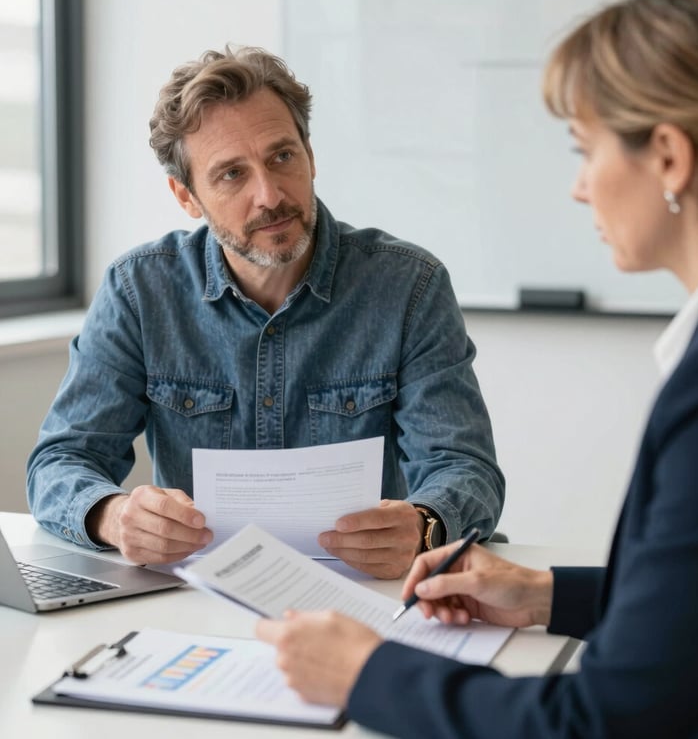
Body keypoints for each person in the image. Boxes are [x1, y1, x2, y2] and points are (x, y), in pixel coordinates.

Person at [255, 0, 698, 735]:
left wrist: (366, 675)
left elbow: (601, 721)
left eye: (585, 149)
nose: (578, 184)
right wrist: (544, 594)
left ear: (668, 156)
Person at [26, 46, 505, 579]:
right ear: (186, 196)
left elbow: (465, 468)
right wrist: (114, 518)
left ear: (311, 156)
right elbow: (60, 462)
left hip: (367, 597)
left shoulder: (409, 286)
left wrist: (425, 524)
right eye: (231, 174)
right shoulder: (139, 291)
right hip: (197, 601)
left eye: (282, 157)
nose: (269, 195)